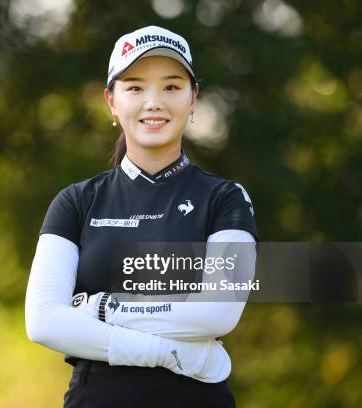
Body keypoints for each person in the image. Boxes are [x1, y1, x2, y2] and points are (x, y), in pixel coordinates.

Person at [25, 25, 258, 407]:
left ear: (193, 98)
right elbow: (43, 322)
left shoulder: (225, 199)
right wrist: (170, 354)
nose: (154, 102)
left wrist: (102, 308)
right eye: (134, 87)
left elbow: (217, 312)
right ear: (111, 101)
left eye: (171, 87)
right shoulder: (75, 202)